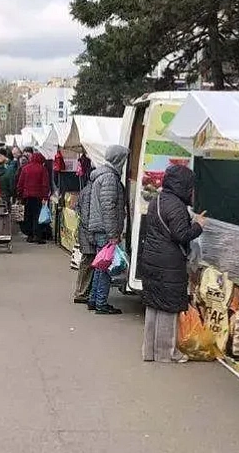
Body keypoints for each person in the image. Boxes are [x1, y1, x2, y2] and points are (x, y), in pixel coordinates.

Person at [139, 164, 205, 362]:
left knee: (154, 306)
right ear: (183, 185)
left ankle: (149, 351)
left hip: (152, 259)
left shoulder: (157, 199)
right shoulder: (175, 205)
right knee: (169, 308)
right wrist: (198, 226)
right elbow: (181, 235)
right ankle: (166, 353)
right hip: (169, 263)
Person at [86, 145, 129, 315]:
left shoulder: (101, 176)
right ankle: (101, 303)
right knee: (105, 268)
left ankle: (94, 299)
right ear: (119, 160)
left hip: (99, 228)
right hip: (105, 230)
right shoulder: (110, 178)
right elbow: (109, 208)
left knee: (100, 265)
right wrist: (113, 234)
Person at [74, 160, 98, 305]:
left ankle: (82, 292)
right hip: (88, 233)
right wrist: (91, 236)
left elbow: (79, 209)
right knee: (87, 263)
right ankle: (81, 292)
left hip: (85, 232)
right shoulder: (91, 192)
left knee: (86, 263)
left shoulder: (86, 190)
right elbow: (87, 215)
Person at [17, 150, 51, 244]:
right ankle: (37, 236)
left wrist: (19, 194)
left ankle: (30, 235)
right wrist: (45, 197)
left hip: (26, 196)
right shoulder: (42, 169)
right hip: (38, 196)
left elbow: (20, 183)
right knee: (37, 216)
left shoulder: (25, 168)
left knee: (28, 216)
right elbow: (45, 184)